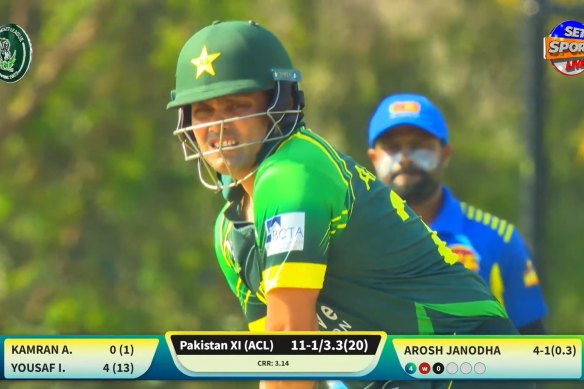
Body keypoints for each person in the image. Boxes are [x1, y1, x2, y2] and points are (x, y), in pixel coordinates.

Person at [167, 20, 532, 389]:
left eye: (237, 105)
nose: (220, 126)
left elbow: (290, 347)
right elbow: (275, 356)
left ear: (282, 103)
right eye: (203, 111)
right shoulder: (229, 230)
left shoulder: (291, 175)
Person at [366, 93, 548, 335]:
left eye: (419, 146)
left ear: (445, 154)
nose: (406, 159)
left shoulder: (499, 240)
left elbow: (533, 349)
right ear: (374, 158)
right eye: (392, 148)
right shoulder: (344, 237)